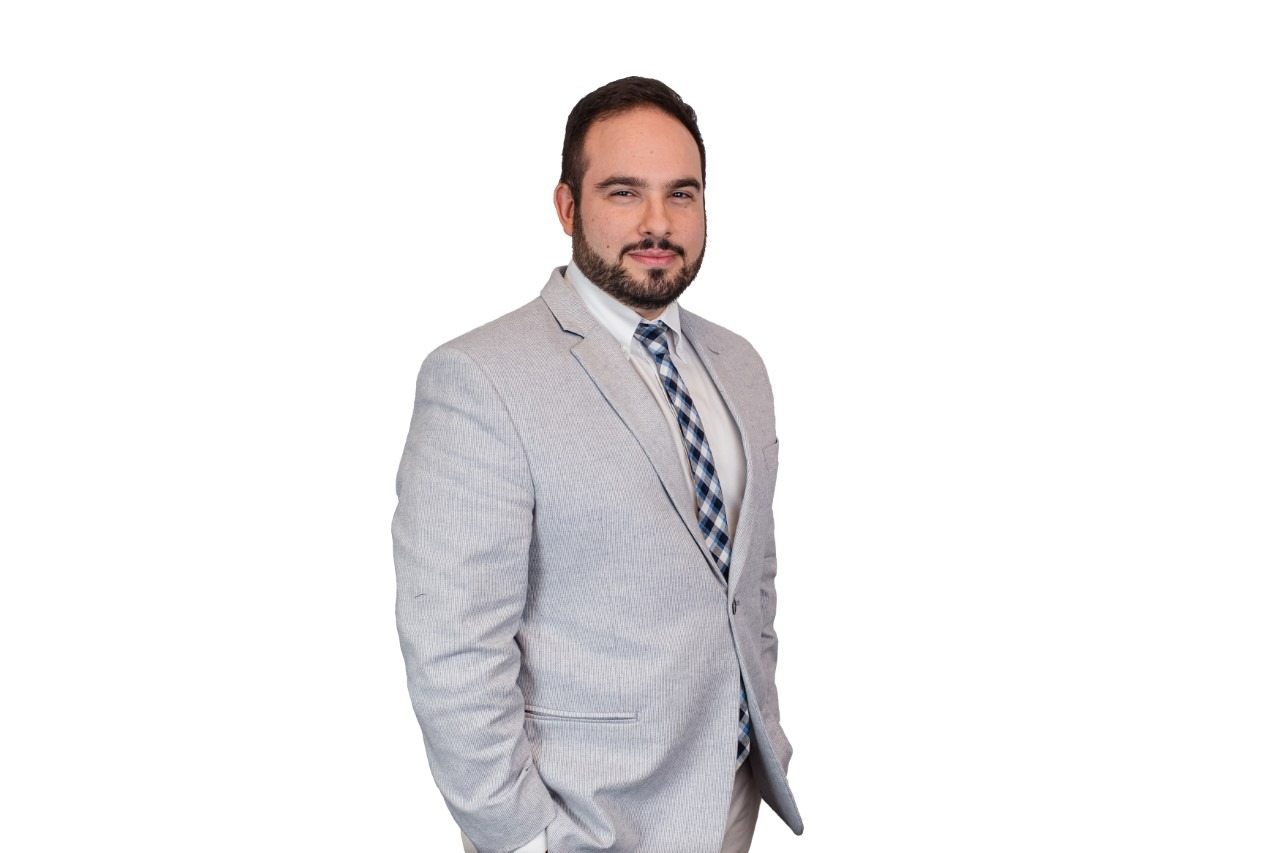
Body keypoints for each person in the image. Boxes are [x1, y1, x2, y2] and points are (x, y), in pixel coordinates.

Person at [393, 76, 802, 853]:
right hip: (583, 825)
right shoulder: (480, 376)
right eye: (624, 192)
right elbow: (452, 645)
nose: (658, 222)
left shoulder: (739, 364)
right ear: (567, 206)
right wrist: (520, 835)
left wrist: (763, 737)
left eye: (681, 194)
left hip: (732, 800)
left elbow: (750, 585)